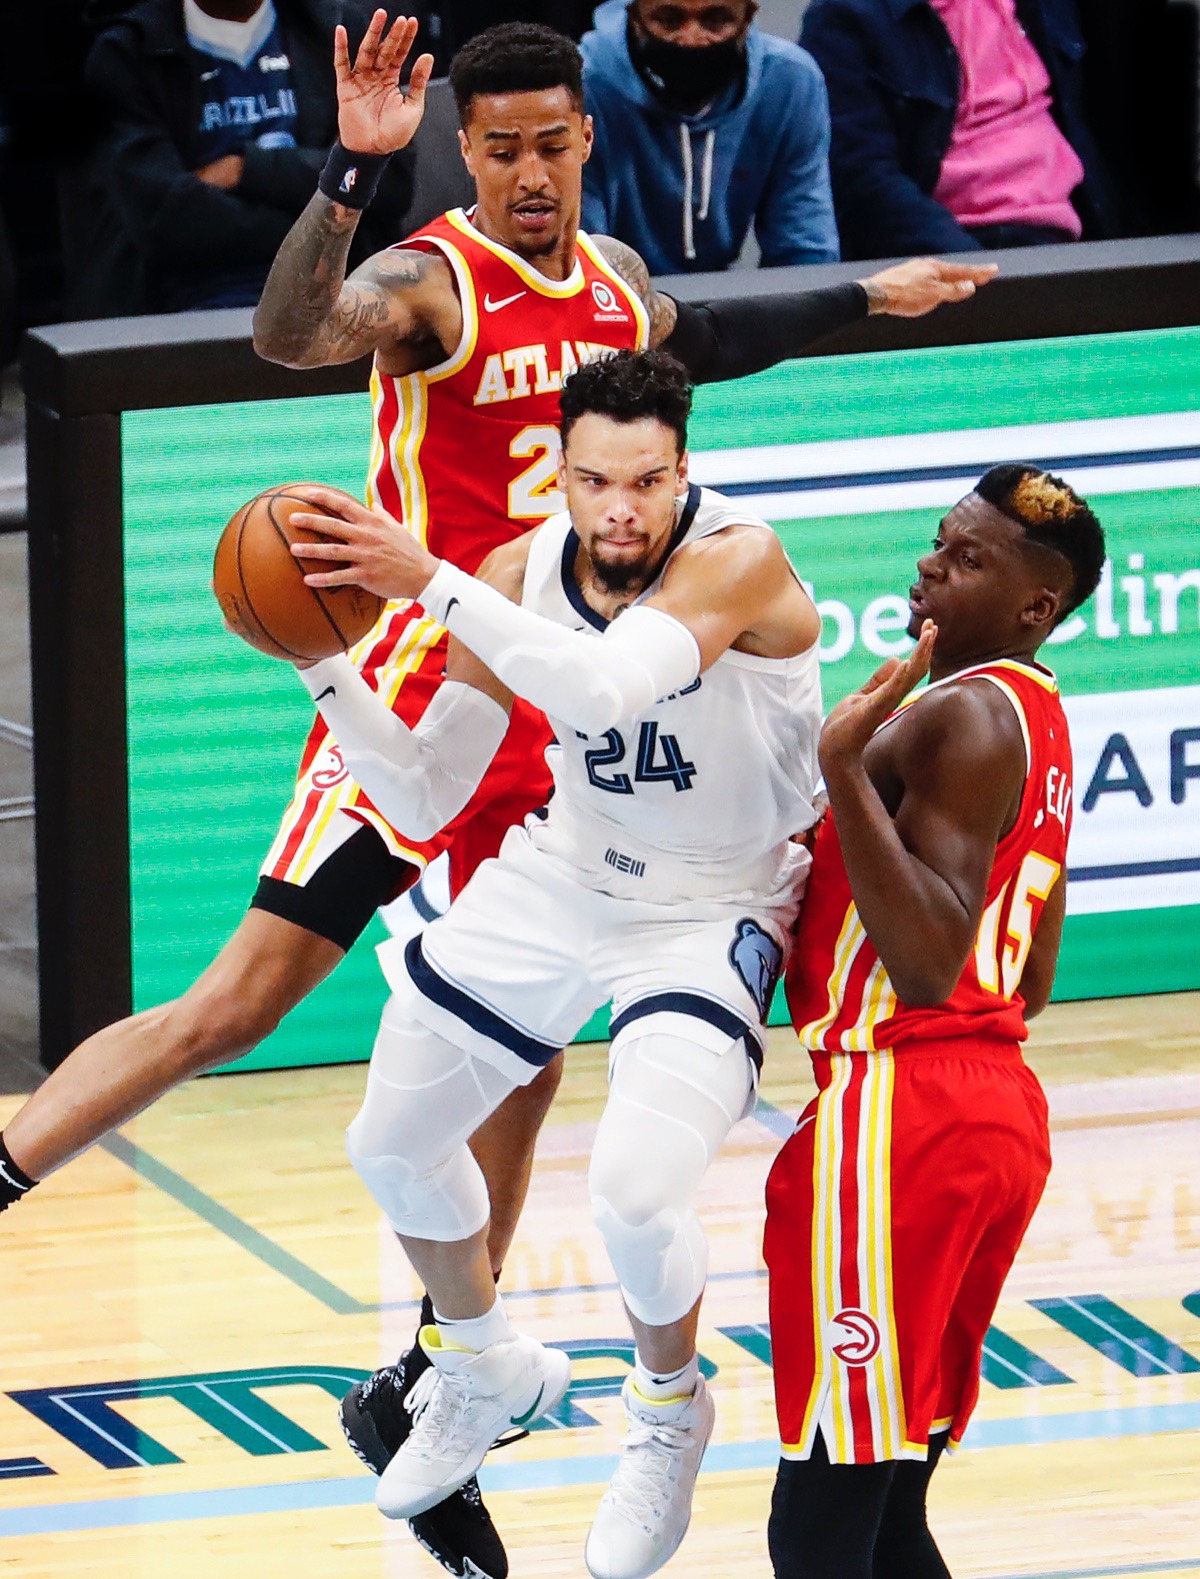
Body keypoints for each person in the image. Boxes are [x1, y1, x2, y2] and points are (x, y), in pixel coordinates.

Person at [0, 15, 993, 1577]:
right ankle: (15, 1174)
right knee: (238, 1004)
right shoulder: (431, 277)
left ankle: (444, 1381)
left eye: (551, 143)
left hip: (560, 726)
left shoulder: (612, 290)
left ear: (587, 136)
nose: (529, 172)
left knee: (507, 1078)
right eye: (501, 147)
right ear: (467, 146)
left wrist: (879, 287)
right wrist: (352, 173)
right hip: (436, 685)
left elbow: (718, 335)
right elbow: (291, 334)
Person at [285, 346, 824, 1579]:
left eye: (646, 481)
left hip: (712, 903)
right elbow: (422, 786)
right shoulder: (518, 564)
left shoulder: (738, 557)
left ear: (684, 470)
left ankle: (667, 1408)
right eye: (594, 482)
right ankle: (481, 1363)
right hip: (571, 868)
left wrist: (423, 582)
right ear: (563, 475)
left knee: (633, 1195)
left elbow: (595, 686)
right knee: (390, 1142)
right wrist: (320, 664)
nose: (621, 509)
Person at [764, 466, 1105, 1576]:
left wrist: (840, 774)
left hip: (901, 1113)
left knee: (818, 1529)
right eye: (936, 541)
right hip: (994, 1113)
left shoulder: (961, 714)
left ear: (1033, 607)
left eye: (966, 557)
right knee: (890, 1512)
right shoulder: (1042, 717)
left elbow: (923, 962)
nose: (929, 564)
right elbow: (1032, 975)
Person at [73, 0, 414, 316]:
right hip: (185, 312)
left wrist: (247, 170)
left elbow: (390, 183)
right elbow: (163, 220)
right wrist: (331, 214)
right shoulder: (126, 54)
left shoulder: (343, 32)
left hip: (336, 297)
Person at [800, 0, 1118, 261]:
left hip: (1073, 244)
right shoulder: (844, 18)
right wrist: (975, 272)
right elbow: (862, 180)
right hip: (954, 255)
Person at [581, 0, 838, 272]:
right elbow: (576, 257)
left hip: (722, 301)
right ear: (634, 17)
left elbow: (805, 252)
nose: (692, 39)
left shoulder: (789, 81)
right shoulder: (581, 87)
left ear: (748, 17)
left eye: (715, 20)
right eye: (669, 20)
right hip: (613, 301)